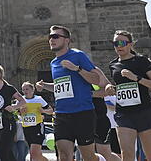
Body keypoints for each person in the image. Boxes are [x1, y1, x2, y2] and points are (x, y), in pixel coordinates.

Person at [36, 25, 103, 161]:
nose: (51, 39)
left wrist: (76, 69)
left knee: (88, 156)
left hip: (82, 113)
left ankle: (100, 159)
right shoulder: (53, 63)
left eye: (55, 36)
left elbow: (96, 80)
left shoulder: (78, 55)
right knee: (64, 156)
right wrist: (44, 86)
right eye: (50, 37)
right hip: (61, 114)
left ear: (67, 40)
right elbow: (60, 87)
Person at [105, 30, 151, 161]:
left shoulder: (141, 61)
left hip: (144, 112)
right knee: (126, 155)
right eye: (115, 43)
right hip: (123, 114)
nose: (118, 46)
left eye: (122, 43)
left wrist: (136, 78)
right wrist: (111, 88)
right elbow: (122, 87)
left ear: (130, 44)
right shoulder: (113, 65)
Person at [0, 64, 25, 161]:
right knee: (6, 152)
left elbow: (23, 101)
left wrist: (14, 107)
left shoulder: (9, 88)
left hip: (8, 121)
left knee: (2, 152)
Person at [18, 81, 52, 161]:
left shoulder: (38, 99)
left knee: (34, 153)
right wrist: (20, 112)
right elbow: (17, 114)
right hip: (26, 128)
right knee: (34, 155)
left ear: (33, 90)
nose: (25, 91)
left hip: (37, 127)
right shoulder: (20, 101)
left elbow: (51, 110)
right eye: (23, 90)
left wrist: (43, 111)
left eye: (27, 89)